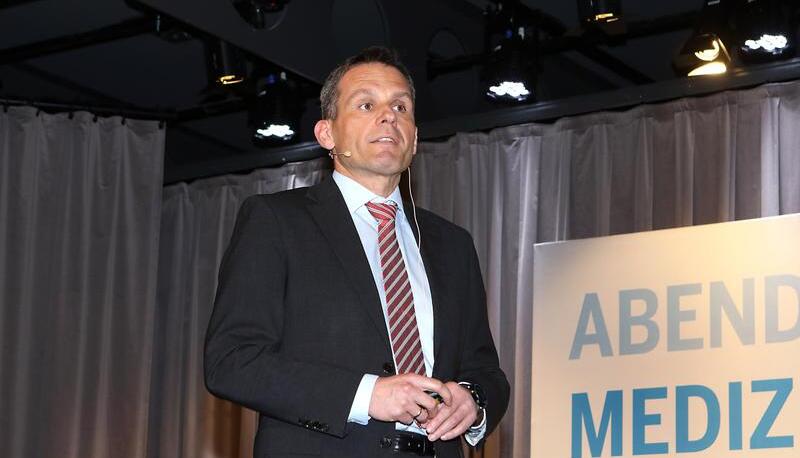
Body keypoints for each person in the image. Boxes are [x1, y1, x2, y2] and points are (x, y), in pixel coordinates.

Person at [204, 46, 509, 458]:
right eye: (367, 104)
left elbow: (484, 369)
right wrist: (366, 395)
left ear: (415, 138)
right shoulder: (276, 221)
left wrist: (473, 400)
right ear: (327, 134)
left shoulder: (453, 244)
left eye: (401, 106)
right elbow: (232, 361)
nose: (389, 116)